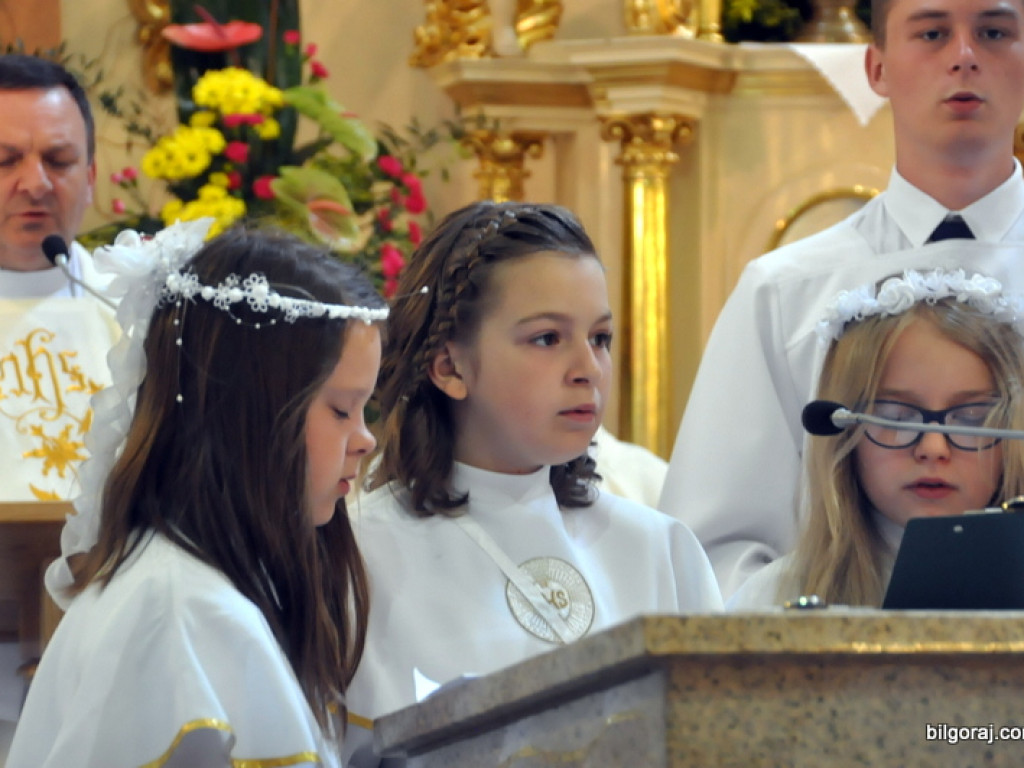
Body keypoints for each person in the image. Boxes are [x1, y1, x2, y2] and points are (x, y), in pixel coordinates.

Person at [659, 0, 1024, 597]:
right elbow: (706, 564)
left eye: (993, 32)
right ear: (877, 67)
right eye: (932, 33)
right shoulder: (784, 290)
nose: (963, 57)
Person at [343, 201, 722, 767]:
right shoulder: (361, 558)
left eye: (600, 338)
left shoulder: (657, 549)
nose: (588, 369)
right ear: (448, 366)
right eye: (547, 339)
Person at [7, 221, 388, 767]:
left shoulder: (204, 589)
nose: (366, 439)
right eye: (341, 409)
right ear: (248, 414)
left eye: (365, 410)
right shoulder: (176, 611)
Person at [728, 269, 1024, 609]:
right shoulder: (773, 599)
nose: (933, 448)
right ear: (844, 430)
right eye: (897, 418)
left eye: (971, 418)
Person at [0, 52, 114, 500]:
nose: (35, 184)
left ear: (90, 178)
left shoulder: (135, 309)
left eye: (58, 160)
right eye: (5, 161)